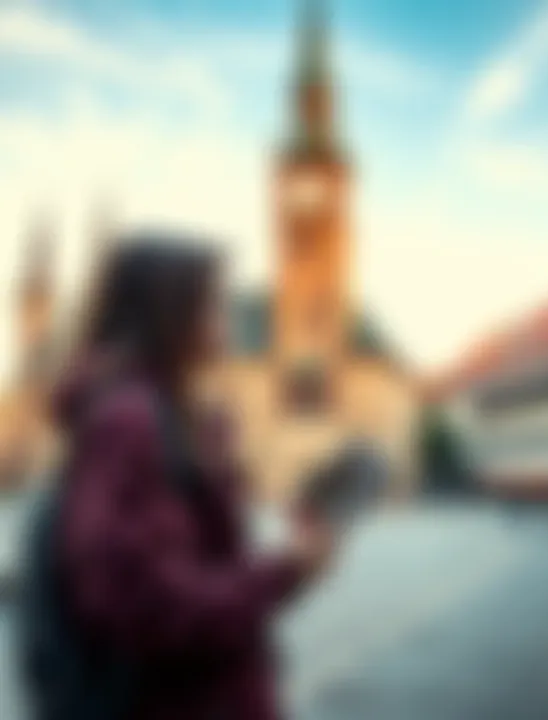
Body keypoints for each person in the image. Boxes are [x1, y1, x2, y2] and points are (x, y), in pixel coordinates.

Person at [48, 235, 335, 719]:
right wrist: (287, 569)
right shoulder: (130, 420)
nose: (226, 323)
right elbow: (143, 602)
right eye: (214, 306)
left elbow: (195, 553)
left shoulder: (174, 413)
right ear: (171, 312)